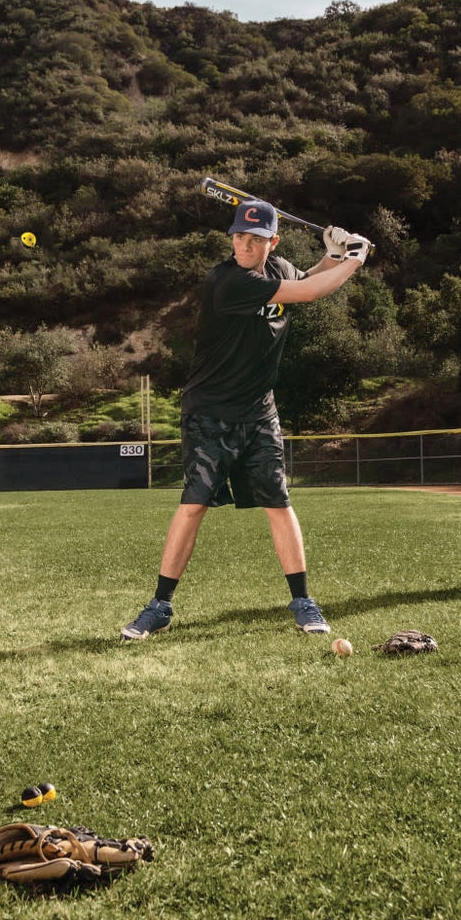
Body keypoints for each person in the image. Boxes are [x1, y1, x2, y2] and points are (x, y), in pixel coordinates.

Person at [120, 200, 369, 642]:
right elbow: (311, 294)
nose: (245, 245)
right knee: (194, 504)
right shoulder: (227, 280)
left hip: (258, 412)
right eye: (239, 236)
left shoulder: (280, 270)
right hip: (209, 413)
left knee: (279, 502)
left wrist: (332, 255)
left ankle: (302, 601)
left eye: (256, 239)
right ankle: (159, 605)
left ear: (272, 242)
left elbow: (307, 280)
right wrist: (354, 259)